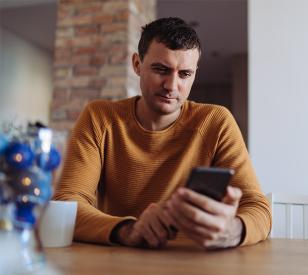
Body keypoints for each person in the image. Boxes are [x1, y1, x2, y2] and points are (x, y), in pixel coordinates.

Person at [54, 17, 270, 249]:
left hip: (191, 259)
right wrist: (128, 230)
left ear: (195, 74)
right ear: (137, 64)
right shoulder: (99, 118)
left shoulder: (216, 122)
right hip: (119, 257)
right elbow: (67, 203)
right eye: (160, 69)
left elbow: (257, 207)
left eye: (185, 74)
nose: (171, 85)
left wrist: (232, 231)